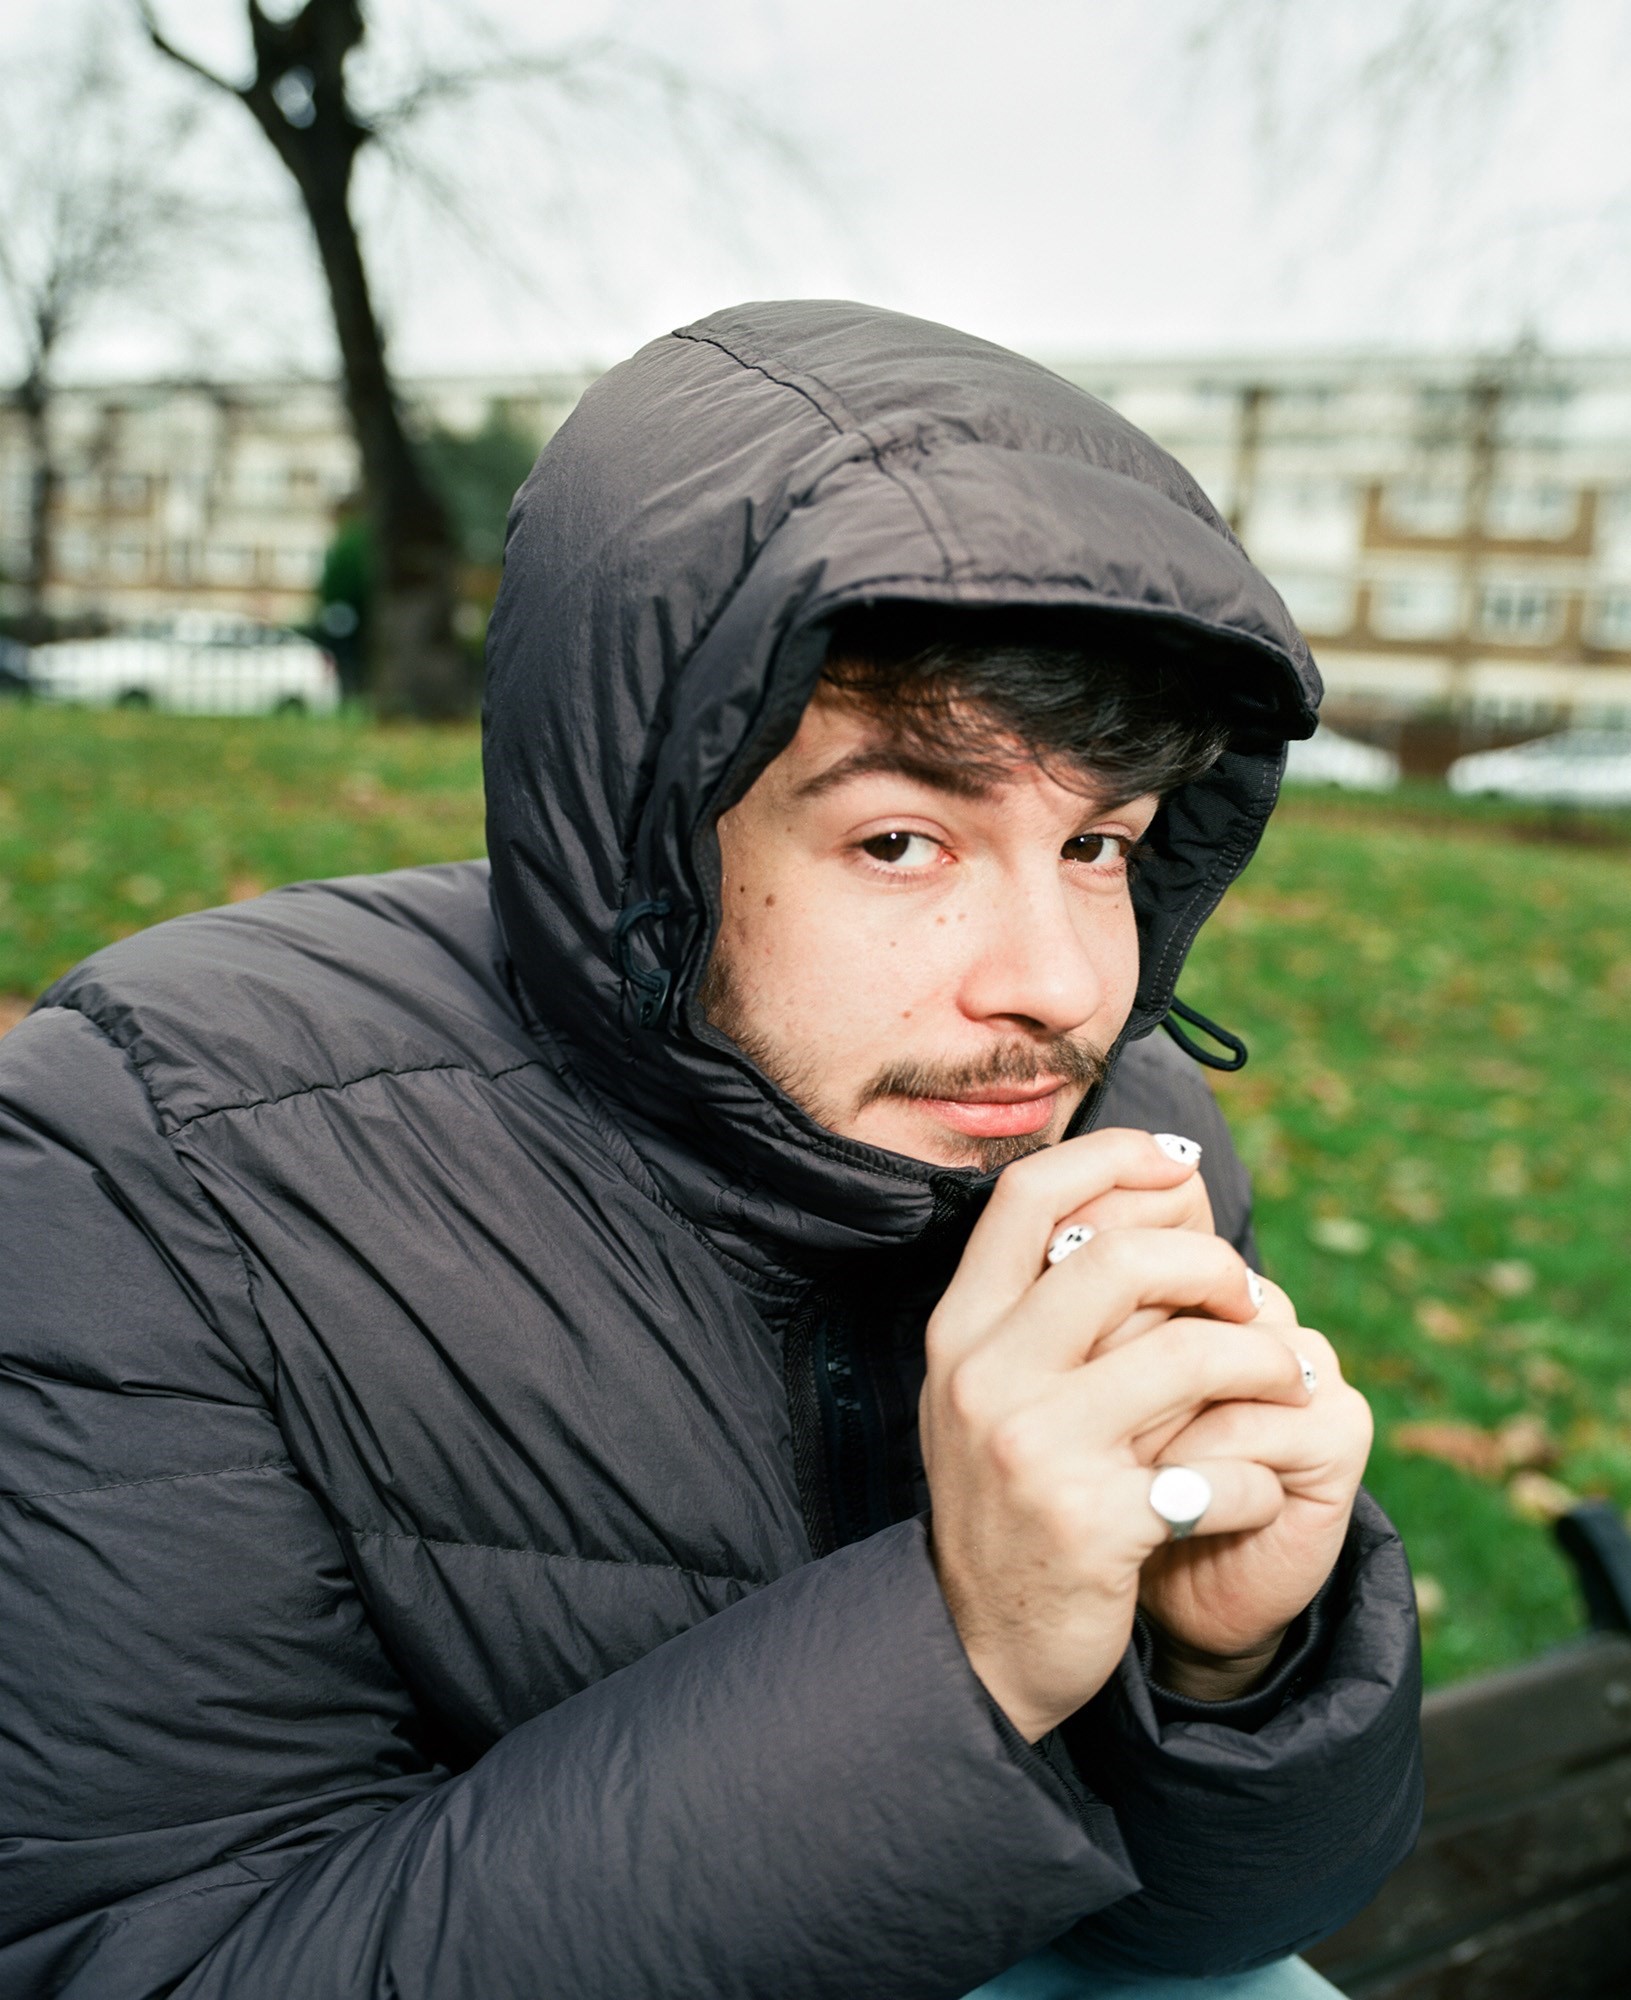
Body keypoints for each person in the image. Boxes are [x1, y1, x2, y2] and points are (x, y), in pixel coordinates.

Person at [0, 301, 1421, 2000]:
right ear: (646, 828)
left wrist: (1235, 1668)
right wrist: (960, 1653)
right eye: (903, 839)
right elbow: (145, 1964)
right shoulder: (156, 1164)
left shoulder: (1119, 1137)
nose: (1058, 986)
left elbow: (1197, 1939)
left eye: (1101, 845)